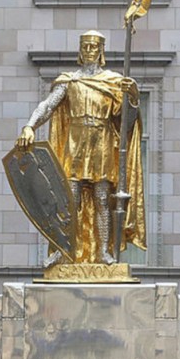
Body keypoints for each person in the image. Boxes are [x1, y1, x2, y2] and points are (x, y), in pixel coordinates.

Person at [15, 30, 146, 266]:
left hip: (102, 141)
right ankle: (60, 249)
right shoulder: (70, 81)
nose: (89, 51)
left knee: (102, 198)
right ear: (80, 50)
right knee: (68, 199)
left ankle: (105, 253)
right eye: (85, 47)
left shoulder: (115, 83)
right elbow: (47, 106)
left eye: (93, 47)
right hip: (75, 142)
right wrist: (29, 126)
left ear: (101, 51)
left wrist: (133, 98)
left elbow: (126, 122)